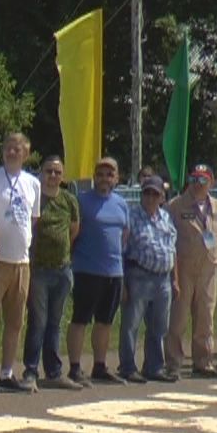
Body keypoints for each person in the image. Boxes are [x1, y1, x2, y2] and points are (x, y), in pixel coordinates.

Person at [0, 133, 41, 392]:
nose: (12, 152)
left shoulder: (32, 183)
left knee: (15, 322)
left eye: (17, 149)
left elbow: (32, 219)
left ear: (25, 154)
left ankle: (6, 371)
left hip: (21, 262)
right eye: (8, 148)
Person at [63, 156, 130, 385]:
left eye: (109, 174)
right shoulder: (81, 201)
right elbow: (73, 233)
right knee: (80, 320)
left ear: (116, 178)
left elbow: (124, 236)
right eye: (100, 174)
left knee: (105, 321)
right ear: (94, 177)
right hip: (87, 271)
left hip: (114, 272)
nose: (104, 178)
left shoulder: (121, 204)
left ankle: (100, 366)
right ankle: (74, 367)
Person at [25, 156, 83, 390]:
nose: (53, 176)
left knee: (55, 322)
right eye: (48, 171)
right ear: (41, 173)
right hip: (39, 270)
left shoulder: (69, 200)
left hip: (62, 270)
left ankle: (54, 371)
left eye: (57, 173)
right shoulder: (35, 199)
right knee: (37, 321)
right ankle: (30, 371)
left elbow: (74, 230)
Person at [166, 164, 217, 379]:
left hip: (208, 269)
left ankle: (203, 362)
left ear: (211, 182)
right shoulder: (176, 205)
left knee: (205, 317)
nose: (197, 185)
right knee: (179, 317)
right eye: (194, 180)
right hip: (183, 268)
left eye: (202, 180)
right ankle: (173, 362)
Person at [119, 176, 178, 383]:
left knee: (159, 326)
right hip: (139, 275)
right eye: (147, 193)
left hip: (163, 279)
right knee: (131, 324)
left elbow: (173, 249)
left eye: (156, 194)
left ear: (162, 197)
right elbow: (122, 251)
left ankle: (154, 367)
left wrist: (175, 279)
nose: (151, 197)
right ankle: (127, 366)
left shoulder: (166, 218)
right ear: (141, 194)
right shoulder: (131, 217)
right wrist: (123, 283)